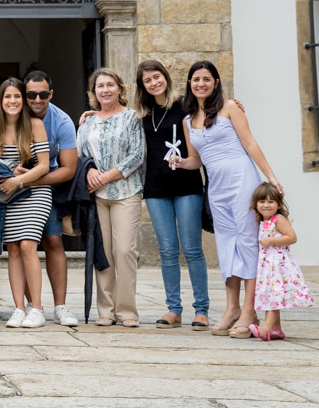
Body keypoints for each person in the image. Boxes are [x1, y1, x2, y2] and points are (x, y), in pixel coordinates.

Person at [169, 60, 284, 339]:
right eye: (196, 79)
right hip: (216, 188)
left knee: (247, 243)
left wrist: (271, 176)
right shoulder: (187, 120)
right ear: (189, 84)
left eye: (207, 79)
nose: (201, 84)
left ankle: (249, 310)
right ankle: (231, 308)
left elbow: (249, 143)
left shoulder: (230, 107)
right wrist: (181, 162)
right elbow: (197, 160)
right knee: (226, 246)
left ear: (216, 83)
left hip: (242, 181)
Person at [134, 60, 210, 331]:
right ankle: (173, 309)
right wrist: (88, 115)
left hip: (187, 185)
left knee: (191, 249)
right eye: (148, 80)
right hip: (156, 189)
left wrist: (183, 163)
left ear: (165, 77)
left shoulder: (184, 107)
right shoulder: (142, 114)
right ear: (142, 86)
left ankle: (201, 310)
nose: (154, 83)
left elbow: (195, 159)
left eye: (157, 77)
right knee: (167, 249)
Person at [76, 68, 145, 328]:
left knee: (125, 250)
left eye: (110, 85)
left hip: (126, 191)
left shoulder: (132, 117)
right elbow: (80, 154)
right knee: (102, 253)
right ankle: (106, 310)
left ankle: (127, 310)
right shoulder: (87, 121)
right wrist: (91, 172)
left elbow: (137, 155)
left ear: (120, 88)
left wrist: (106, 176)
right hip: (97, 196)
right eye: (100, 86)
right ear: (93, 93)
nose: (105, 90)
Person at [0, 78, 51, 329]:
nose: (12, 101)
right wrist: (1, 183)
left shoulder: (35, 124)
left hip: (34, 193)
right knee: (12, 249)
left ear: (23, 100)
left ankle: (37, 309)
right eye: (7, 97)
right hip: (5, 197)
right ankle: (19, 309)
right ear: (0, 102)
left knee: (27, 246)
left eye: (17, 97)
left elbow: (44, 165)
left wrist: (19, 180)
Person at [21, 71, 79, 327]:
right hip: (14, 187)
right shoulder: (13, 112)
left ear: (50, 95)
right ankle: (31, 306)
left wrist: (31, 179)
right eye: (31, 94)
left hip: (47, 184)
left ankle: (60, 307)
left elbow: (68, 169)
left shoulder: (62, 121)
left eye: (42, 95)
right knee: (20, 245)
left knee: (53, 240)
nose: (36, 99)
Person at [250, 183, 313, 341]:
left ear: (278, 204)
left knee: (273, 296)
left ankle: (267, 329)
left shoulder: (278, 220)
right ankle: (277, 329)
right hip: (267, 266)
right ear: (256, 204)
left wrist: (271, 240)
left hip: (277, 265)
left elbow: (292, 237)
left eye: (271, 202)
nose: (266, 205)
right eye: (262, 201)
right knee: (271, 295)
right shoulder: (262, 221)